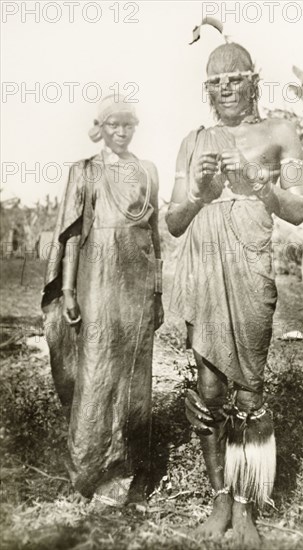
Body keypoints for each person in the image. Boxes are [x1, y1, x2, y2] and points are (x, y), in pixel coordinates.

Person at [166, 40, 303, 547]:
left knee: (248, 390)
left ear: (254, 81)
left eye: (235, 78)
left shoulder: (280, 132)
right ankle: (220, 501)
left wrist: (257, 185)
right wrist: (202, 194)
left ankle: (248, 508)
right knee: (208, 392)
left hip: (251, 267)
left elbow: (299, 210)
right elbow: (175, 220)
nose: (226, 88)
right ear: (208, 90)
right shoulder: (193, 140)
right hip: (203, 267)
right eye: (215, 82)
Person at [42, 95, 164, 506]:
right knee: (95, 376)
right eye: (114, 125)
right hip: (97, 281)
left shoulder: (146, 171)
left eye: (128, 124)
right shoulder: (86, 171)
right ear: (102, 126)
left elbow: (156, 237)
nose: (122, 131)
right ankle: (90, 472)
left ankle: (129, 472)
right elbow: (73, 236)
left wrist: (158, 294)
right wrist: (70, 291)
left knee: (134, 380)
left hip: (137, 287)